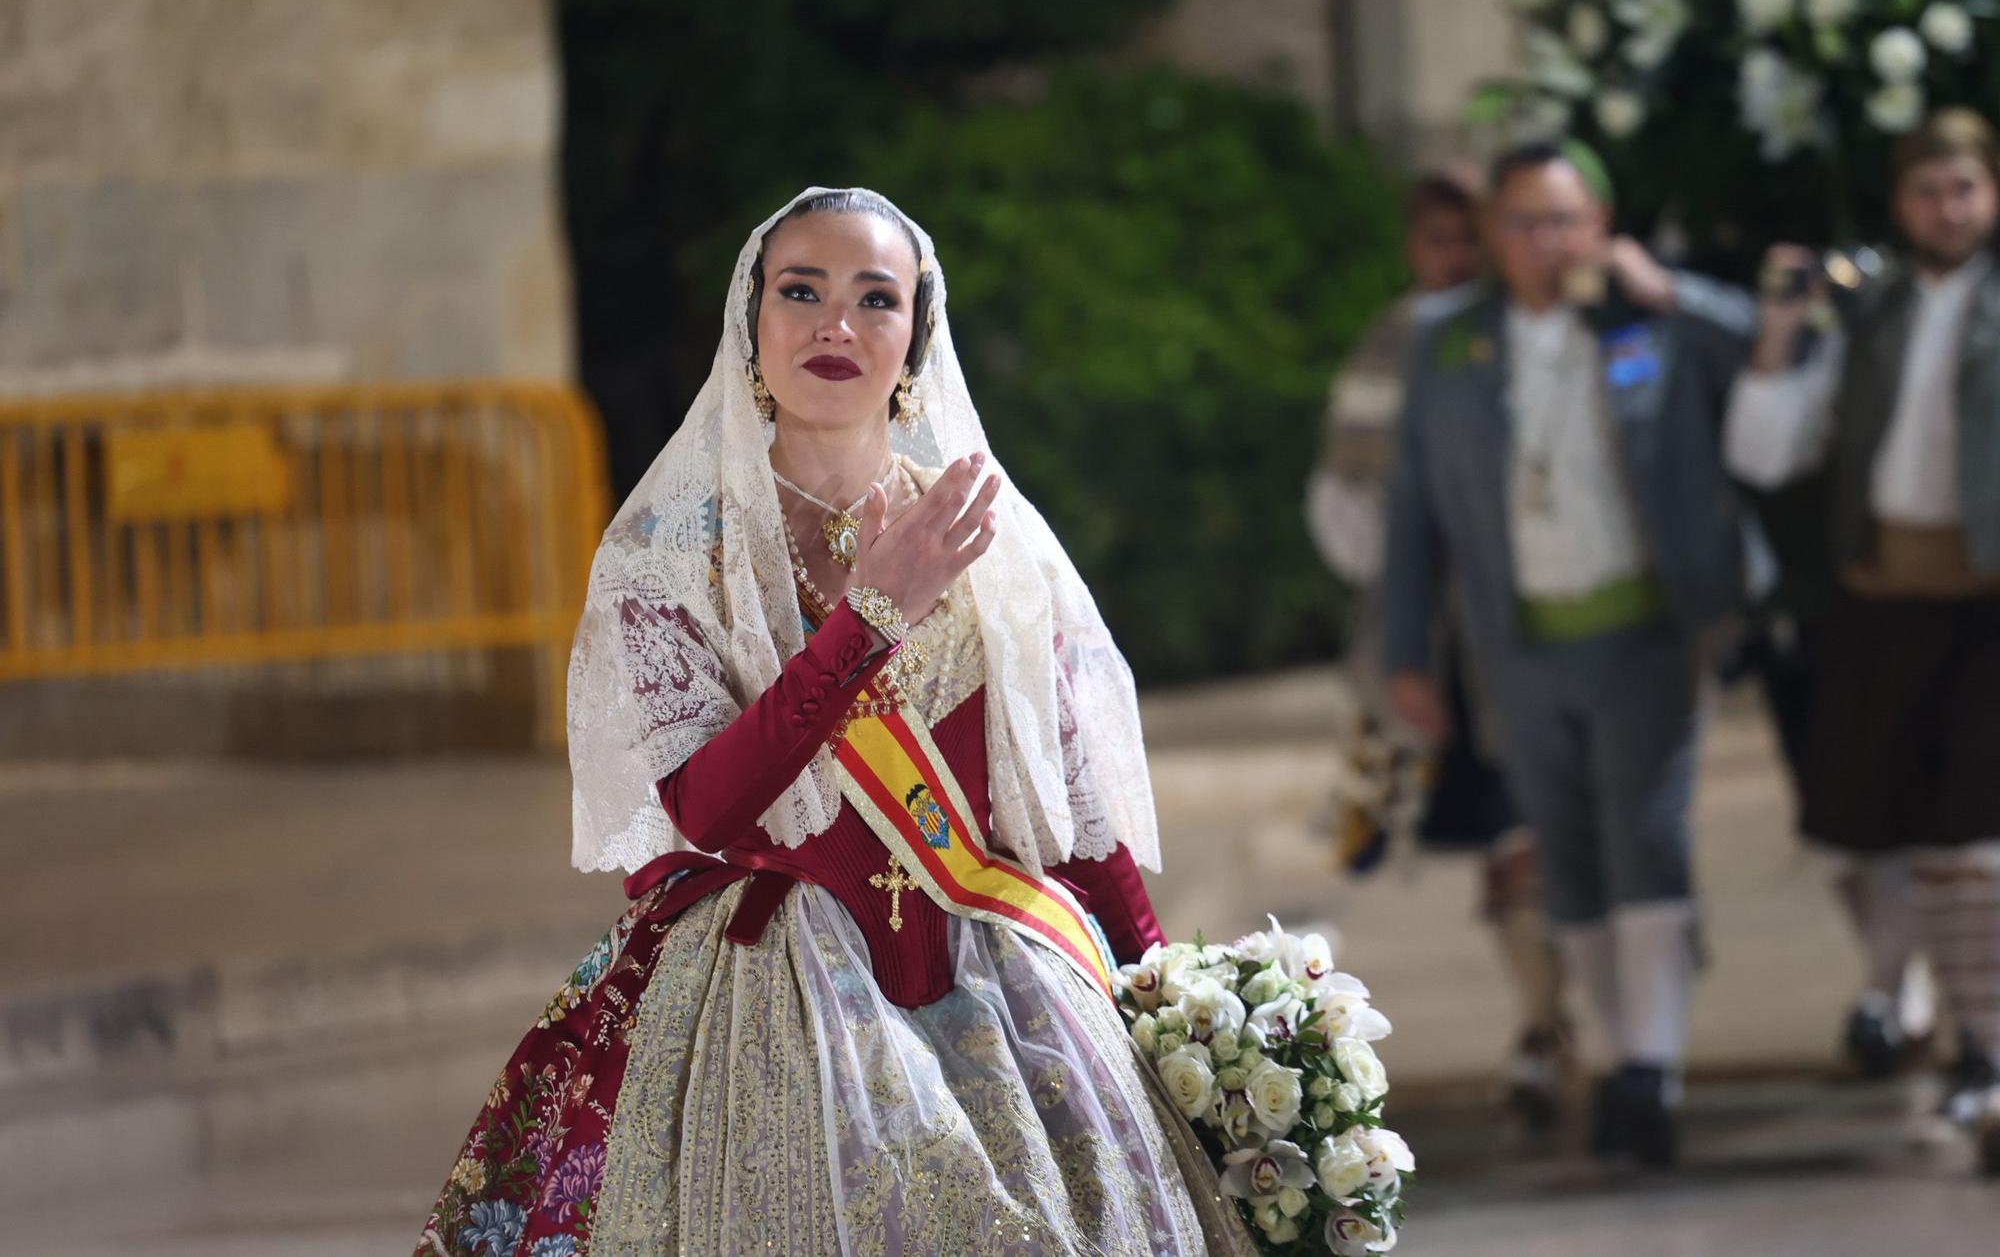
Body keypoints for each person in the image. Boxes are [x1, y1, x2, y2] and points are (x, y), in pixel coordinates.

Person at [414, 188, 1254, 1254]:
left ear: (914, 339)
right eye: (800, 291)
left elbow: (1069, 817)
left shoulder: (988, 538)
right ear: (750, 324)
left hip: (998, 978)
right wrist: (872, 615)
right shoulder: (669, 557)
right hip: (768, 992)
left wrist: (1170, 1003)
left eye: (875, 299)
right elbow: (705, 806)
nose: (835, 326)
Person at [1381, 141, 1759, 1168]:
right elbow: (1410, 507)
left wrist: (1667, 292)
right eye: (1519, 222)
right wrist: (1404, 651)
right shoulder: (1451, 344)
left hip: (1643, 627)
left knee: (1645, 829)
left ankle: (1652, 1064)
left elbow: (1771, 352)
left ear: (1598, 226)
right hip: (1518, 639)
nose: (1541, 243)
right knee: (1567, 845)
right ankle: (1621, 1057)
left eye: (1561, 220)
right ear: (1491, 236)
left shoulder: (1645, 318)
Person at [1728, 108, 2000, 1174]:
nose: (1948, 209)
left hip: (1984, 607)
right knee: (1853, 832)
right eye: (1928, 191)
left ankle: (1983, 1049)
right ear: (1899, 202)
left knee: (1970, 842)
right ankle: (1917, 1000)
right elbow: (1764, 446)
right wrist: (1776, 331)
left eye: (1966, 188)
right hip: (1879, 601)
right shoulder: (1866, 310)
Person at [1307, 168, 1571, 1129]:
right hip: (1433, 635)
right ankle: (1546, 1026)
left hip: (1534, 618)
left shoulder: (1528, 328)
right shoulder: (1394, 339)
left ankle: (1552, 1025)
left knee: (1536, 829)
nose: (1453, 259)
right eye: (1436, 242)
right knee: (1502, 832)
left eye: (1470, 239)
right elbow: (1348, 492)